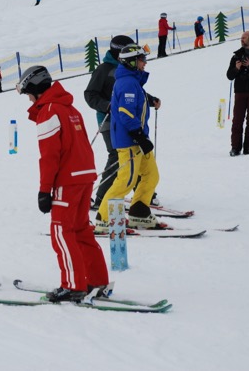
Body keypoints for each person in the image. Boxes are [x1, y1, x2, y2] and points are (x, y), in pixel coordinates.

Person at [16, 65, 109, 302]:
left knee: (61, 232)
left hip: (67, 181)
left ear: (35, 88)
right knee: (81, 231)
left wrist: (44, 190)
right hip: (85, 175)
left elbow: (49, 156)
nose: (29, 99)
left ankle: (73, 286)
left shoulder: (48, 111)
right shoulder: (69, 108)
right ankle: (97, 280)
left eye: (28, 93)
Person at [84, 35, 161, 211]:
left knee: (135, 155)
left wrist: (151, 100)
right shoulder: (104, 69)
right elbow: (90, 94)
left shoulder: (127, 69)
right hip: (109, 121)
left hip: (127, 119)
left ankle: (143, 196)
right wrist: (106, 105)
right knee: (118, 157)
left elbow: (135, 93)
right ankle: (102, 198)